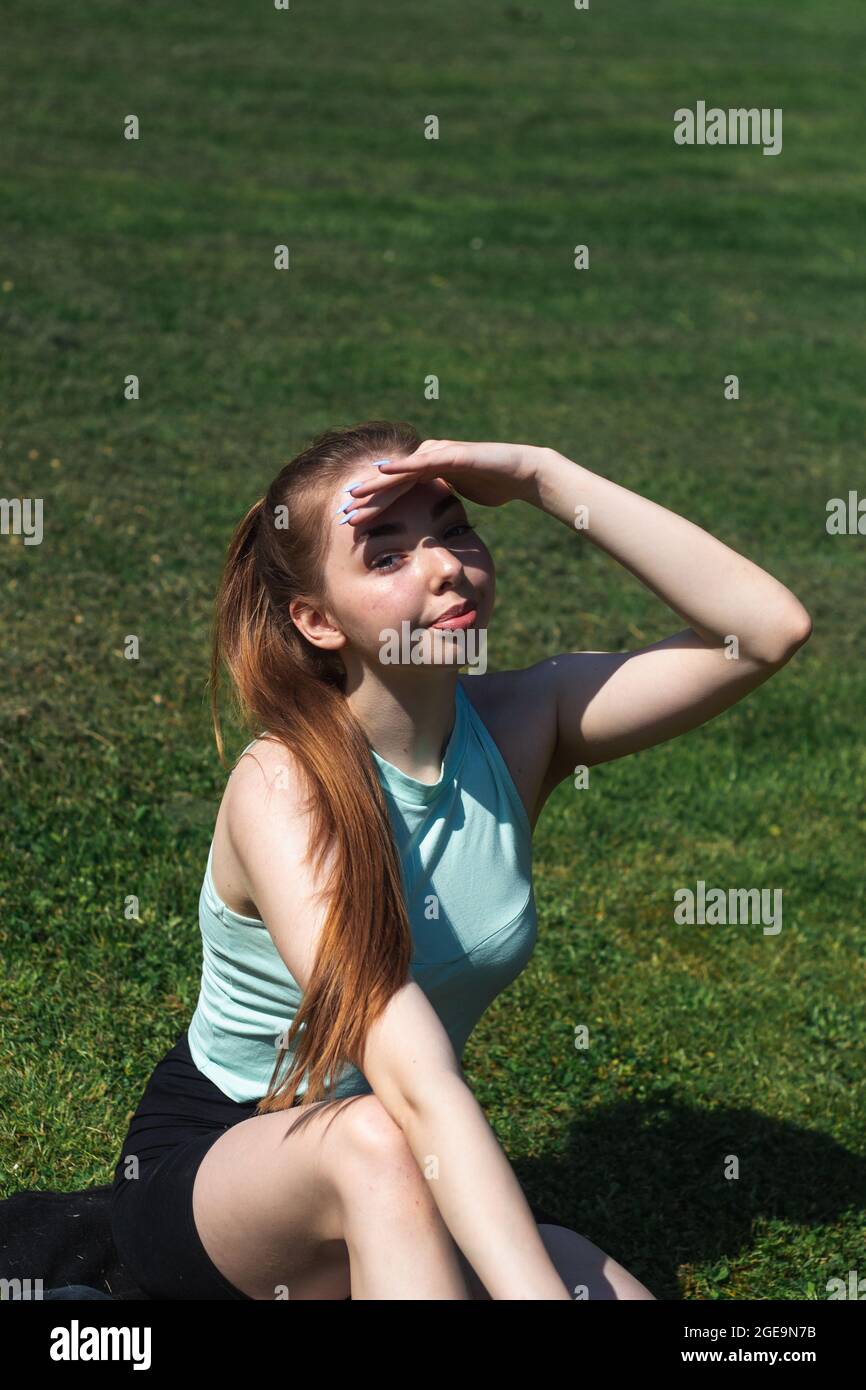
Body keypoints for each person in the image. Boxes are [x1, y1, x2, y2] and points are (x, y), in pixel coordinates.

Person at [110, 420, 811, 1300]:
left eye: (454, 528)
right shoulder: (282, 787)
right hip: (232, 1171)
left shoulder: (526, 722)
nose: (442, 566)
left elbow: (767, 629)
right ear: (316, 621)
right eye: (388, 555)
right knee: (375, 1141)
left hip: (413, 1165)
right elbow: (412, 1078)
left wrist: (541, 475)